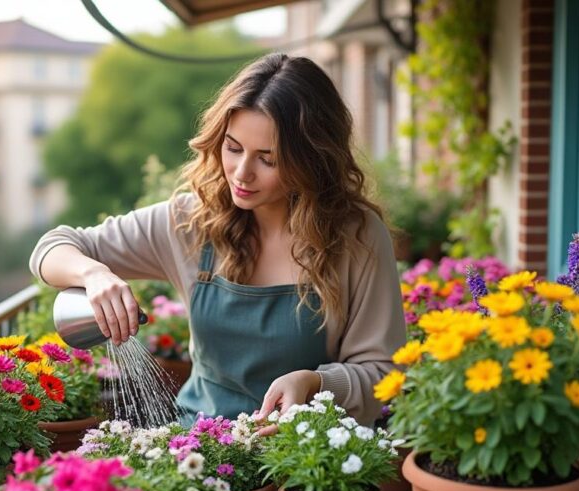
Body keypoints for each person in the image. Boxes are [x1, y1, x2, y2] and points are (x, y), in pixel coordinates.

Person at [29, 53, 406, 426]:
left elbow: (381, 370)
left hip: (308, 458)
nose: (242, 173)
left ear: (311, 159)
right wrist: (95, 274)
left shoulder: (356, 235)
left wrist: (315, 382)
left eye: (268, 159)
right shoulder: (191, 220)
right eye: (233, 147)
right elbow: (52, 248)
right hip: (201, 449)